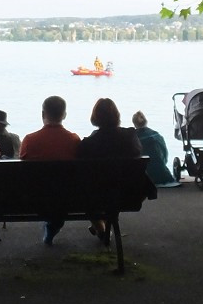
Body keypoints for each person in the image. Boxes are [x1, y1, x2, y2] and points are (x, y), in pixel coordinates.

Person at [20, 95, 82, 244]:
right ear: (64, 115)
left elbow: (22, 171)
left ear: (43, 114)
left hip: (34, 198)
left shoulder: (30, 140)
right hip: (68, 198)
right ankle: (53, 226)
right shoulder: (74, 140)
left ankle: (52, 225)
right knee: (59, 190)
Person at [78, 98, 142, 241]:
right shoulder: (130, 136)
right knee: (110, 190)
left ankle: (101, 228)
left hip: (95, 196)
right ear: (117, 115)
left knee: (88, 190)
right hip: (128, 194)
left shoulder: (88, 144)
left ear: (95, 117)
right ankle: (103, 227)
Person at [131, 111, 179, 187]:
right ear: (146, 121)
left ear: (134, 123)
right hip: (161, 171)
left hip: (142, 172)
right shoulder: (157, 135)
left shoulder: (133, 137)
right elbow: (165, 155)